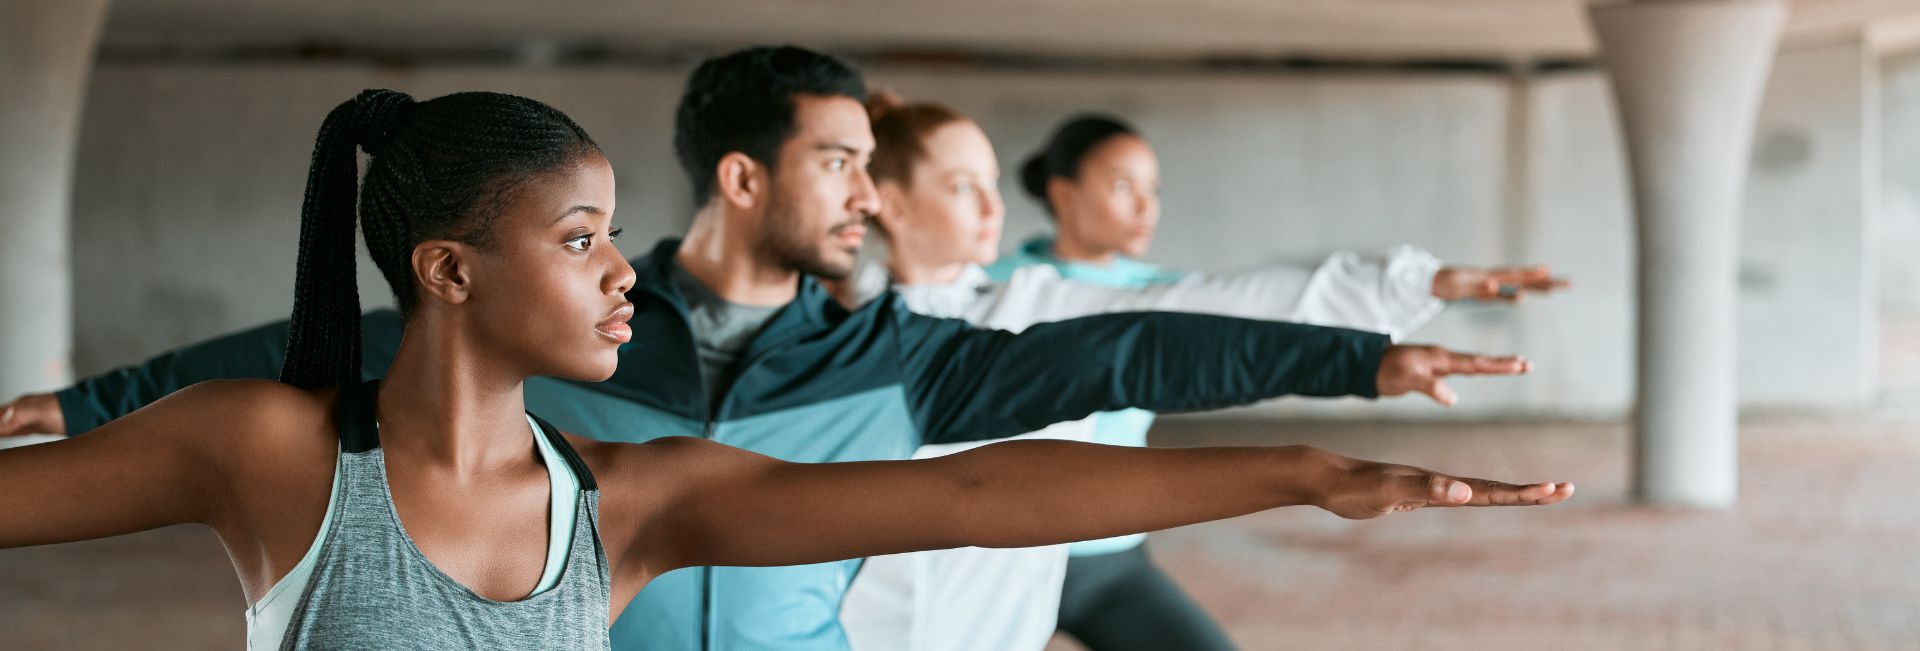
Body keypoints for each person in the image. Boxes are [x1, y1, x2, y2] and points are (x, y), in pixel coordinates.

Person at [0, 47, 1552, 651]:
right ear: (450, 271)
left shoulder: (634, 495)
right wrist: (75, 400)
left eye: (615, 232)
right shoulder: (271, 449)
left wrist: (1309, 462)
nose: (618, 272)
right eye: (580, 238)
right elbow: (285, 338)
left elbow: (977, 495)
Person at [835, 94, 1571, 651]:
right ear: (887, 203)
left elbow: (1190, 313)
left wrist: (1382, 325)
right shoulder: (824, 336)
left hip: (1045, 583)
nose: (995, 207)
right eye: (965, 187)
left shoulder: (1030, 302)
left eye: (994, 183)